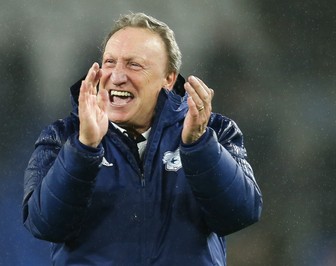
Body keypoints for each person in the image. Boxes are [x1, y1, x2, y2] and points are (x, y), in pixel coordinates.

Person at [22, 12, 262, 265]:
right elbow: (43, 224)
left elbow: (241, 214)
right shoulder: (62, 138)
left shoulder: (215, 132)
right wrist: (84, 148)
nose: (117, 75)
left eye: (133, 64)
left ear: (169, 79)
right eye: (110, 62)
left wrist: (198, 145)